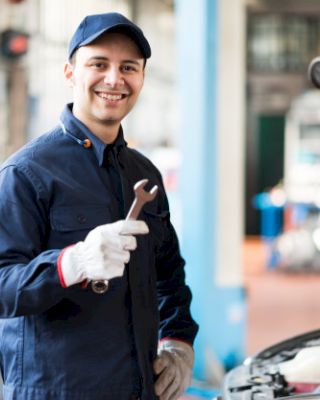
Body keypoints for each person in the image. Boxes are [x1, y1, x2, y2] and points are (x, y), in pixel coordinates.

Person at [0, 11, 198, 400]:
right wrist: (71, 263)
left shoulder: (144, 174)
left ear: (141, 78)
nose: (114, 79)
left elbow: (169, 276)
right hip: (54, 391)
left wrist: (178, 342)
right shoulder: (25, 173)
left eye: (129, 67)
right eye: (99, 64)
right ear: (71, 72)